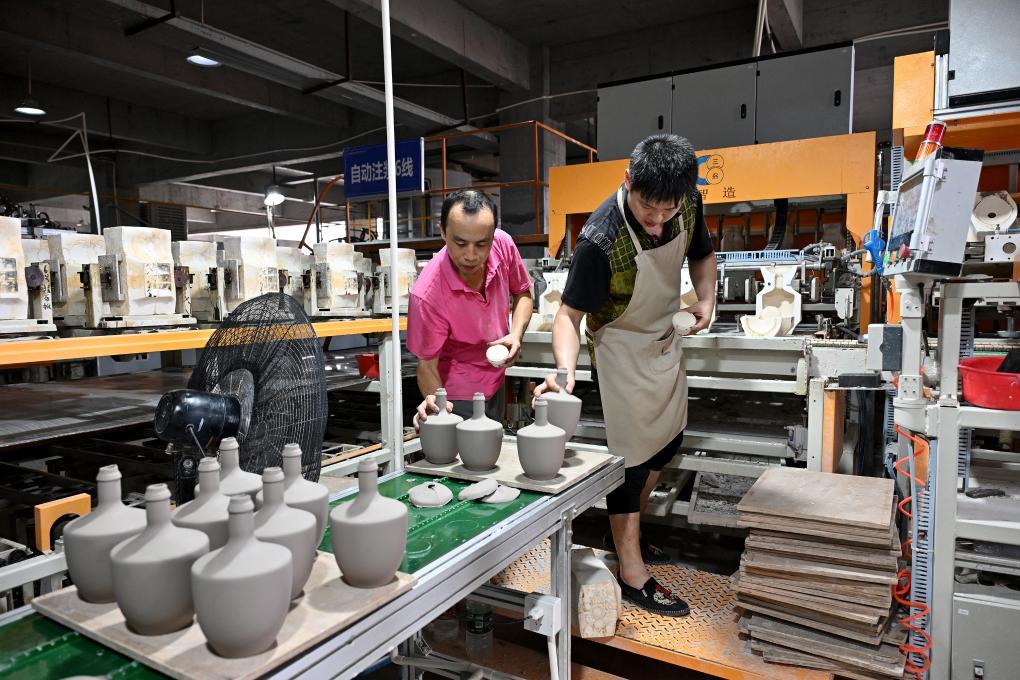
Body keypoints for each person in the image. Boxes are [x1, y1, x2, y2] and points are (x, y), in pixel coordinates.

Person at [534, 134, 716, 615]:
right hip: (620, 349)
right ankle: (631, 571)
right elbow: (568, 316)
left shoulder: (687, 202)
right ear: (628, 180)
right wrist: (565, 371)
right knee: (631, 463)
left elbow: (702, 254)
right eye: (647, 208)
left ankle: (628, 532)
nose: (657, 221)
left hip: (664, 337)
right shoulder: (600, 238)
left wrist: (706, 299)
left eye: (667, 211)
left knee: (669, 442)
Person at [408, 189, 534, 426]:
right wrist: (437, 402)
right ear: (443, 232)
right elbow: (426, 366)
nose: (471, 255)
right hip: (457, 390)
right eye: (461, 243)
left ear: (493, 235)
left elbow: (523, 293)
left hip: (496, 377)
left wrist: (516, 334)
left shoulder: (503, 244)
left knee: (493, 440)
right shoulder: (427, 295)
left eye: (482, 244)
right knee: (467, 444)